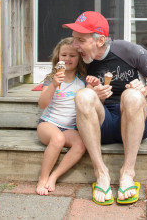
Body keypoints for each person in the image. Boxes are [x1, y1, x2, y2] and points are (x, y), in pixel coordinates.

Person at [62, 11, 147, 205]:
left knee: (132, 95)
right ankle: (101, 173)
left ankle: (127, 172)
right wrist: (94, 95)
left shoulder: (130, 51)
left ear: (100, 41)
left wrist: (143, 89)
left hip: (135, 120)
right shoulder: (79, 58)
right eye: (74, 39)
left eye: (81, 40)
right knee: (84, 96)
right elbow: (63, 81)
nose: (75, 45)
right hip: (103, 124)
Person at [36, 37, 87, 196]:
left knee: (81, 144)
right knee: (57, 139)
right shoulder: (52, 79)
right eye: (64, 55)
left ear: (79, 58)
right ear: (58, 57)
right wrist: (53, 85)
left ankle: (54, 176)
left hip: (69, 128)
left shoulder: (82, 80)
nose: (68, 59)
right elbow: (42, 104)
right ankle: (42, 178)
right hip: (48, 124)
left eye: (72, 55)